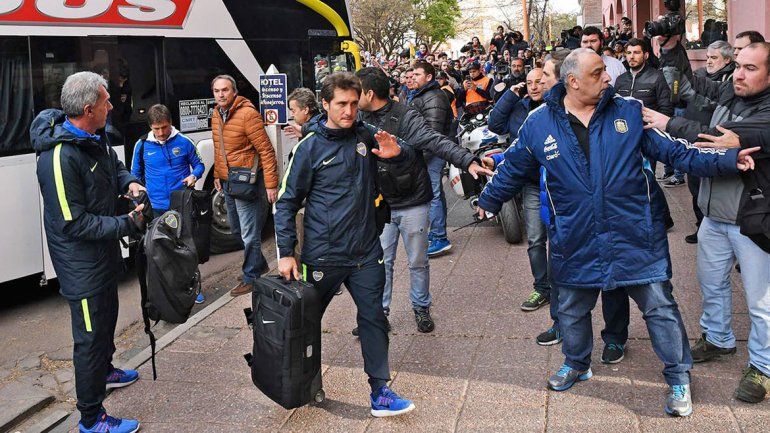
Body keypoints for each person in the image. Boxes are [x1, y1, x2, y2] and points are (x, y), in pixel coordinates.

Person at [479, 48, 758, 417]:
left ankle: (678, 377)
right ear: (573, 81)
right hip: (575, 237)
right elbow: (513, 167)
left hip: (634, 235)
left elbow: (677, 153)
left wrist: (726, 160)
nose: (609, 77)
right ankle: (576, 363)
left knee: (659, 307)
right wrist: (489, 200)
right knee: (572, 309)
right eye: (599, 73)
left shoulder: (627, 111)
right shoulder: (538, 122)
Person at [275, 72, 416, 417]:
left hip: (366, 252)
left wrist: (397, 155)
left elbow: (405, 156)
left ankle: (380, 391)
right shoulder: (308, 147)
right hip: (322, 255)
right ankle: (298, 382)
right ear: (324, 104)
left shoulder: (366, 135)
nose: (350, 110)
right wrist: (286, 253)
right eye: (341, 104)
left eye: (354, 103)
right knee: (303, 324)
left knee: (373, 319)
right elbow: (286, 201)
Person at [643, 42, 770, 404]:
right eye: (739, 66)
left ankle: (763, 367)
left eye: (750, 68)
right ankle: (718, 339)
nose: (739, 74)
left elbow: (716, 135)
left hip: (752, 219)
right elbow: (705, 114)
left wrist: (670, 123)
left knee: (761, 301)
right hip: (714, 216)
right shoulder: (732, 93)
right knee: (711, 284)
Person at [33, 71, 146, 433]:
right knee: (88, 340)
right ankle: (91, 418)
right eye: (106, 101)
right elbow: (72, 224)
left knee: (107, 321)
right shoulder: (58, 157)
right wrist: (127, 224)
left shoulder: (93, 138)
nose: (112, 106)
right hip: (81, 266)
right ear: (88, 109)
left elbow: (114, 168)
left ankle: (106, 369)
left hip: (102, 256)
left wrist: (130, 182)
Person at [356, 66, 489, 334]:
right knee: (382, 261)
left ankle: (421, 308)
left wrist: (468, 160)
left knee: (417, 260)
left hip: (412, 200)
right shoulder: (356, 117)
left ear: (369, 93)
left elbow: (434, 140)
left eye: (355, 90)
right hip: (380, 203)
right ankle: (379, 313)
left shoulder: (405, 115)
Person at [487, 68, 551, 314]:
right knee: (535, 238)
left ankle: (566, 286)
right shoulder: (519, 106)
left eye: (539, 82)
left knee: (562, 239)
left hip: (558, 181)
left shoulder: (557, 106)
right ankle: (542, 288)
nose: (534, 87)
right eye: (529, 83)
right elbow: (495, 124)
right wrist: (510, 96)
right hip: (531, 183)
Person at [211, 74, 279, 297]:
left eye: (225, 90)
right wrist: (217, 176)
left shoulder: (248, 114)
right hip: (228, 182)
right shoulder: (216, 114)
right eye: (217, 91)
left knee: (249, 234)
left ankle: (252, 276)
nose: (221, 94)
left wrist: (271, 184)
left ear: (234, 92)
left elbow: (266, 151)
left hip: (247, 183)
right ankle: (258, 265)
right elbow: (219, 149)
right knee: (238, 229)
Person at [130, 104, 206, 302]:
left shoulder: (184, 141)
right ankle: (168, 292)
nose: (161, 132)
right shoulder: (142, 145)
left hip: (181, 204)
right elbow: (134, 175)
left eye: (164, 127)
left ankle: (194, 288)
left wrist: (193, 176)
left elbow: (199, 164)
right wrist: (136, 189)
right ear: (150, 127)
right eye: (156, 129)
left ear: (170, 123)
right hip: (155, 207)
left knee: (186, 247)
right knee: (160, 250)